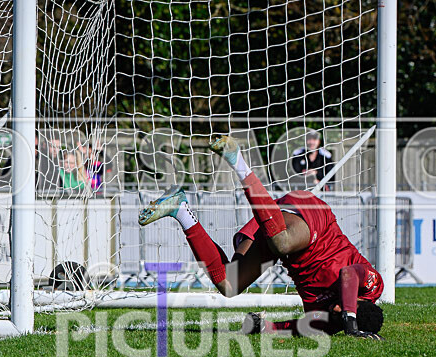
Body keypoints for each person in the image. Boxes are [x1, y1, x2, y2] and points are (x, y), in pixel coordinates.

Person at [138, 136, 384, 340]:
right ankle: (238, 162)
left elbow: (296, 327)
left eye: (341, 315)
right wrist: (350, 319)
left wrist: (261, 325)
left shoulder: (328, 322)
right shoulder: (373, 285)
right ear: (361, 302)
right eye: (345, 310)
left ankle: (181, 210)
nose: (338, 309)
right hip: (313, 223)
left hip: (279, 237)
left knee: (228, 284)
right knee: (282, 241)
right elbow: (349, 274)